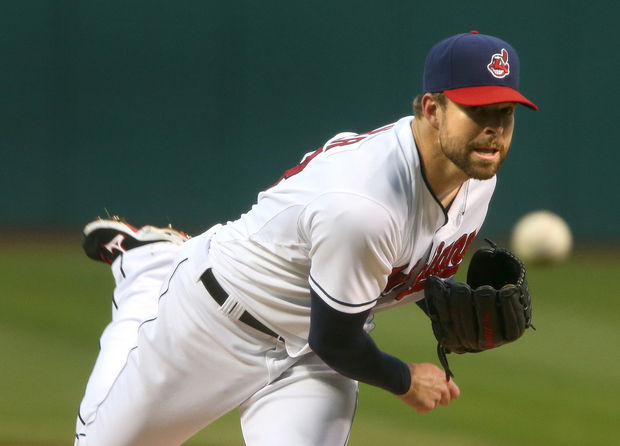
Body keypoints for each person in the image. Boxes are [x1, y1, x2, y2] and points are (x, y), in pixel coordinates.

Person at [74, 31, 537, 445]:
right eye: (477, 111)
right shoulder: (363, 205)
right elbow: (336, 337)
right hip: (215, 322)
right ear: (432, 110)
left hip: (312, 358)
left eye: (505, 114)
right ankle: (150, 264)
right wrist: (405, 380)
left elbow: (398, 270)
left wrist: (442, 304)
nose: (493, 130)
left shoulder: (477, 175)